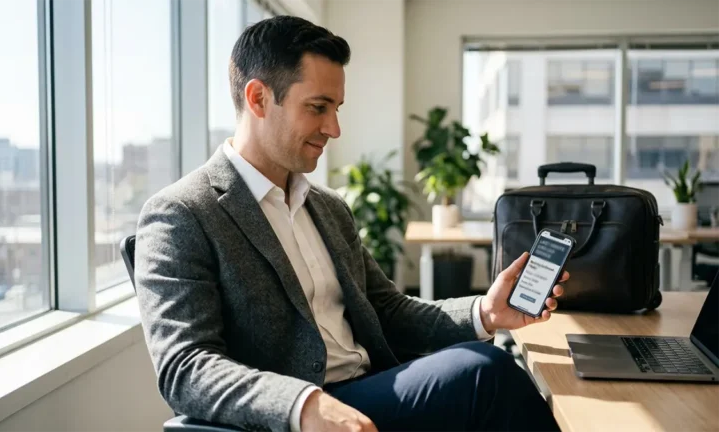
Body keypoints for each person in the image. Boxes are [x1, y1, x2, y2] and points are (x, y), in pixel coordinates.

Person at [135, 15, 566, 432]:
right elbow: (185, 367)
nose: (334, 128)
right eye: (318, 108)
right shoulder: (181, 214)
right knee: (484, 372)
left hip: (370, 387)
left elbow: (388, 310)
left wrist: (485, 312)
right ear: (258, 98)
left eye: (336, 108)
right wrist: (302, 404)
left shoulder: (327, 207)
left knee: (495, 368)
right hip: (300, 415)